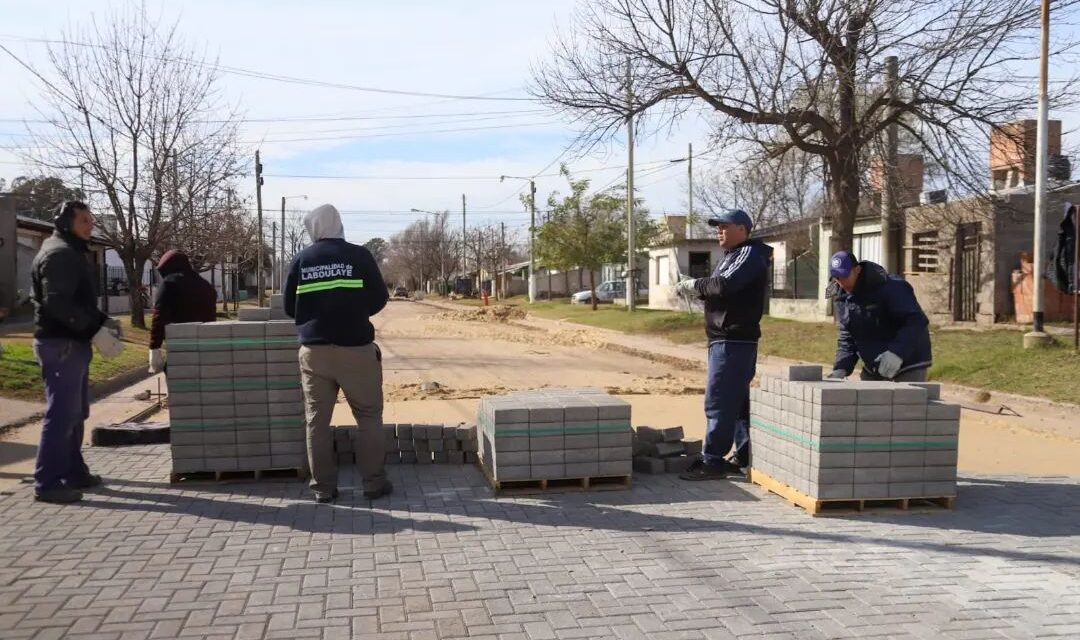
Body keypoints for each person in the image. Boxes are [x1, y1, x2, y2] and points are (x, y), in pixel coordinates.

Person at [284, 204, 391, 503]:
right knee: (369, 416)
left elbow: (290, 307)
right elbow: (380, 297)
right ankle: (373, 483)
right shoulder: (359, 256)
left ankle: (323, 488)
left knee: (316, 421)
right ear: (339, 224)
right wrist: (356, 313)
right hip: (356, 349)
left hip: (314, 353)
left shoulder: (302, 260)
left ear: (314, 228)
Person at [30, 201, 124, 504]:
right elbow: (58, 304)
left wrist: (99, 322)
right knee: (61, 414)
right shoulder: (59, 254)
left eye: (91, 220)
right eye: (84, 220)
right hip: (61, 344)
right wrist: (92, 328)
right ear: (66, 222)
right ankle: (47, 481)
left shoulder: (69, 251)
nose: (90, 225)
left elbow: (76, 301)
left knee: (76, 411)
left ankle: (73, 470)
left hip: (73, 341)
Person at [674, 209, 772, 480]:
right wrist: (701, 293)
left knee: (719, 399)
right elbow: (721, 290)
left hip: (734, 339)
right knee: (737, 401)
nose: (719, 231)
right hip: (725, 337)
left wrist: (695, 285)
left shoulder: (749, 254)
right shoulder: (731, 256)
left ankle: (713, 460)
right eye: (717, 227)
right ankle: (743, 456)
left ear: (742, 229)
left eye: (724, 226)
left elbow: (725, 285)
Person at [827, 250, 932, 382]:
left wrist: (897, 353)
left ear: (857, 270)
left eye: (845, 276)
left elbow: (915, 321)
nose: (841, 282)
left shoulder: (891, 288)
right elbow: (848, 338)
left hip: (908, 363)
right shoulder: (843, 299)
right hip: (875, 366)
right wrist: (841, 368)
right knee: (864, 401)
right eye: (837, 278)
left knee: (903, 401)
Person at [147, 249, 218, 373]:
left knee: (178, 385)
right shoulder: (206, 286)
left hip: (180, 348)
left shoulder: (169, 284)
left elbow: (159, 317)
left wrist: (154, 347)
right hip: (205, 348)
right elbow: (212, 319)